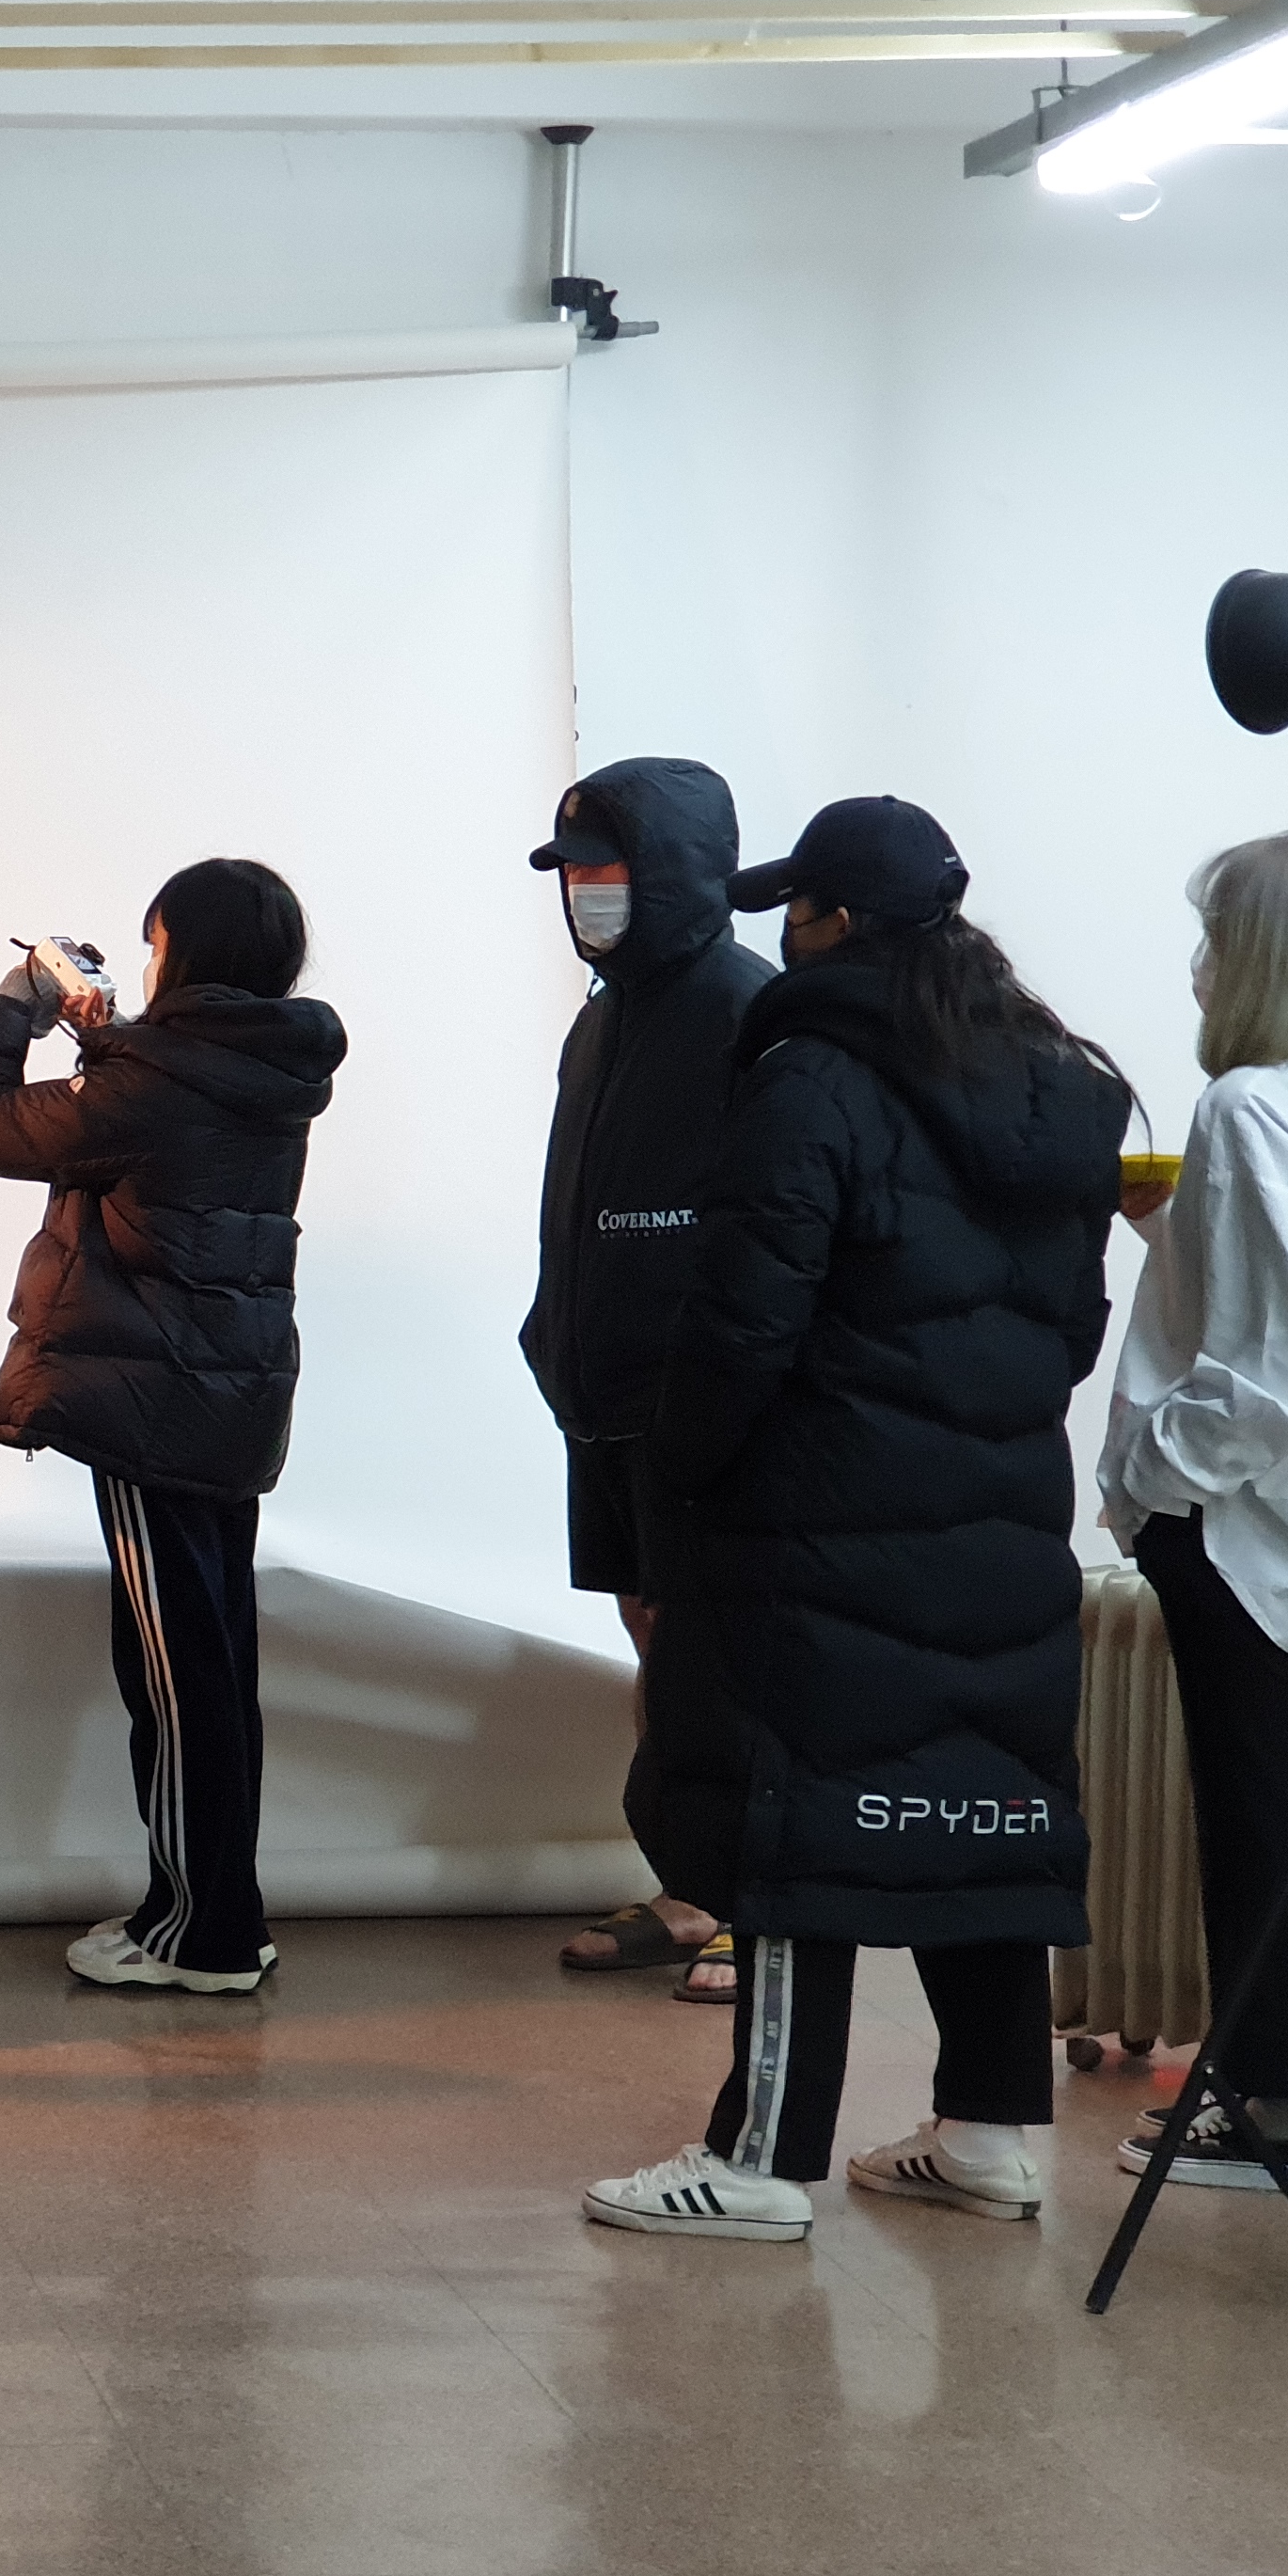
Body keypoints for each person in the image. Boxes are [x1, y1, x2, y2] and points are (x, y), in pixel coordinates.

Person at [586, 798, 1125, 2242]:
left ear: (832, 922)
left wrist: (677, 1472)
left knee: (794, 1821)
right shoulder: (1061, 1087)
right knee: (984, 1808)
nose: (784, 934)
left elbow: (745, 1318)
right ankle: (992, 2136)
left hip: (816, 1517)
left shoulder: (810, 1078)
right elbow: (1075, 1326)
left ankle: (757, 2160)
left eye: (796, 910)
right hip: (999, 1514)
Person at [0, 862, 344, 1997]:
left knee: (173, 1678)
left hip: (154, 1405)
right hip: (227, 1397)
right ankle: (218, 1912)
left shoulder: (154, 1084)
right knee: (212, 1664)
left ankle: (198, 1935)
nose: (150, 961)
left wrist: (12, 1007)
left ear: (187, 954)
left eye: (157, 943)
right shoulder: (264, 1066)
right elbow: (156, 1118)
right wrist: (109, 1041)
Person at [1100, 829, 1288, 2191]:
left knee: (1267, 1821)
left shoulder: (1253, 1106)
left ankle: (1283, 2116)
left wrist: (1148, 1479)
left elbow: (1280, 1366)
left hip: (1253, 1529)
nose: (1199, 967)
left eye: (1216, 939)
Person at [520, 760, 775, 2008]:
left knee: (722, 1652)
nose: (584, 892)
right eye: (572, 871)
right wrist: (552, 1337)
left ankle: (756, 1897)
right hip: (603, 1391)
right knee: (651, 1634)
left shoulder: (748, 1008)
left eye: (605, 868)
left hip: (698, 1400)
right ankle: (690, 1882)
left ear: (670, 872)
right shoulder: (603, 1017)